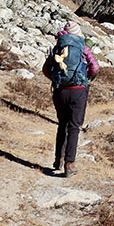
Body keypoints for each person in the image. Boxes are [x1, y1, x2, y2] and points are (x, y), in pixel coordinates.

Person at [41, 20, 99, 177]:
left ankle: (58, 160)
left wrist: (57, 81)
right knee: (74, 127)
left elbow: (46, 69)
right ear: (78, 33)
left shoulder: (58, 47)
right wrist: (85, 79)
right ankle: (69, 164)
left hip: (60, 91)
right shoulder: (83, 47)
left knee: (62, 125)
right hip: (78, 91)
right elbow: (95, 68)